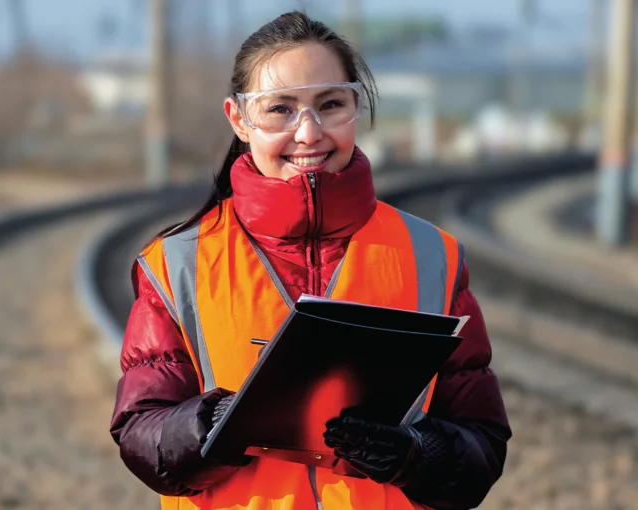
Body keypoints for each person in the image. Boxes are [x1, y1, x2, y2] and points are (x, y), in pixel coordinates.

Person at [110, 11, 511, 510]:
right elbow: (140, 432)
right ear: (239, 118)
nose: (308, 133)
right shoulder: (177, 263)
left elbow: (482, 441)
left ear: (355, 108)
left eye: (330, 105)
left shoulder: (434, 256)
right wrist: (213, 426)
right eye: (279, 109)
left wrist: (416, 453)